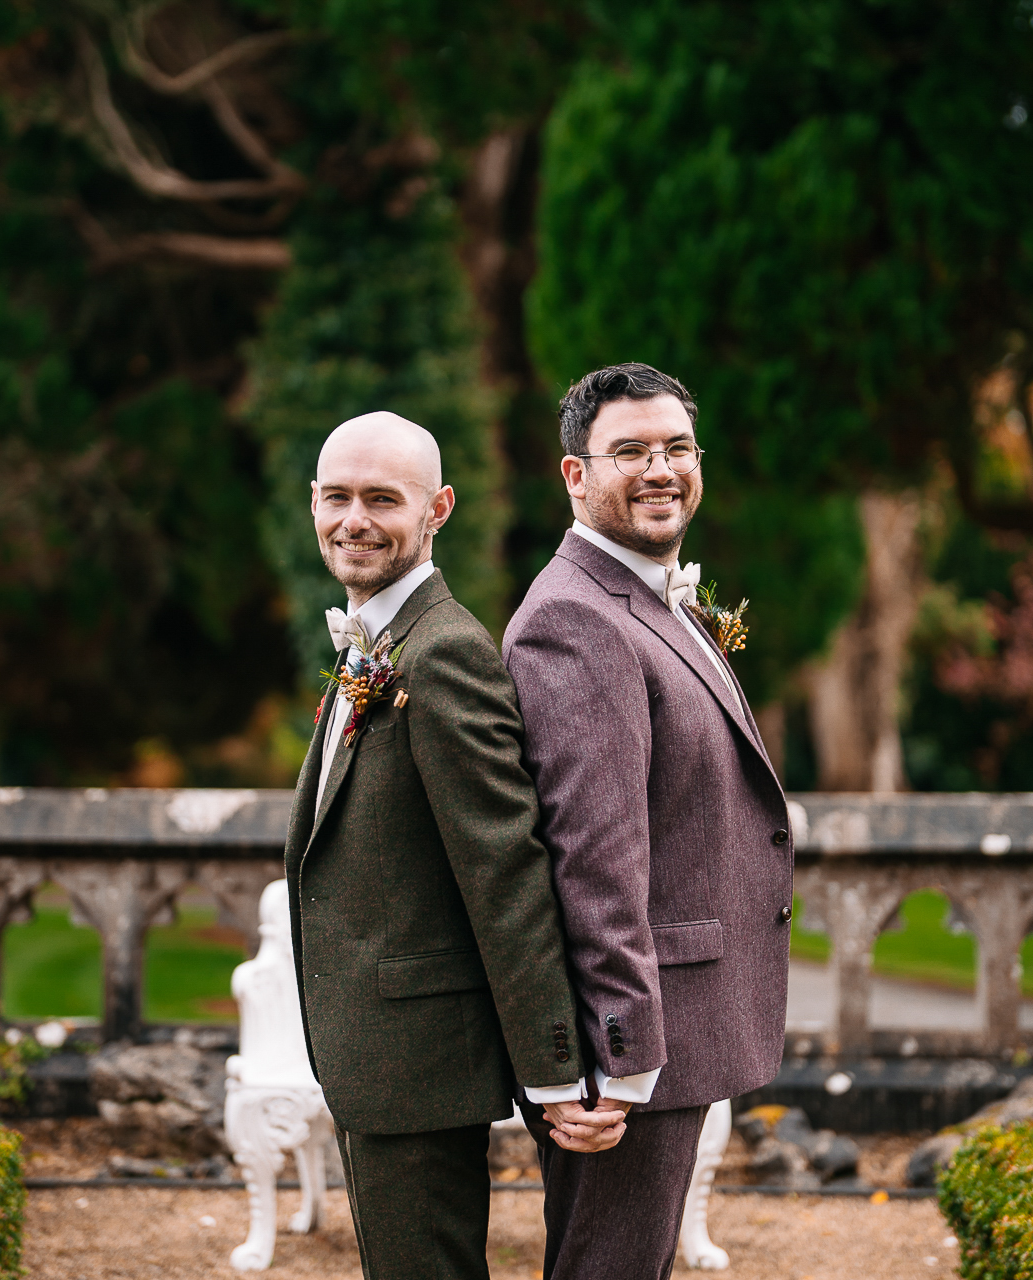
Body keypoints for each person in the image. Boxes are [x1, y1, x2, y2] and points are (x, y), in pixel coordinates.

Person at [283, 410, 625, 1280]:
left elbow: (505, 867)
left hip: (419, 1064)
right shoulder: (380, 642)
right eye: (336, 497)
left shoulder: (444, 654)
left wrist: (555, 1073)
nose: (353, 519)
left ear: (437, 509)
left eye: (381, 500)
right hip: (378, 1056)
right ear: (310, 503)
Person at [503, 364, 794, 1280]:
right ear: (575, 475)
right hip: (631, 1048)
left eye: (676, 448)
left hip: (669, 1028)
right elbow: (594, 859)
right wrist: (613, 1064)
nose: (660, 468)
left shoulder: (648, 596)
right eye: (629, 450)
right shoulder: (574, 620)